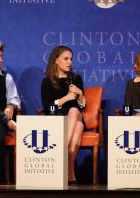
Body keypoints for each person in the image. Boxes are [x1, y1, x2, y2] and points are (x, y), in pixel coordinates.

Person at [41, 45, 86, 185]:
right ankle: (69, 171)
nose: (70, 62)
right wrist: (65, 99)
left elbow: (82, 107)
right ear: (56, 60)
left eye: (71, 59)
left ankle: (61, 149)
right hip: (58, 119)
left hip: (75, 114)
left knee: (73, 111)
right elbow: (47, 107)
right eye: (66, 59)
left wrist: (80, 94)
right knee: (78, 127)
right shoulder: (47, 81)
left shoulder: (76, 79)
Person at [0, 39, 21, 184]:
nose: (1, 60)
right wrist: (8, 120)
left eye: (1, 56)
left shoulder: (6, 78)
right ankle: (9, 122)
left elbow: (15, 99)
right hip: (3, 119)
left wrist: (11, 105)